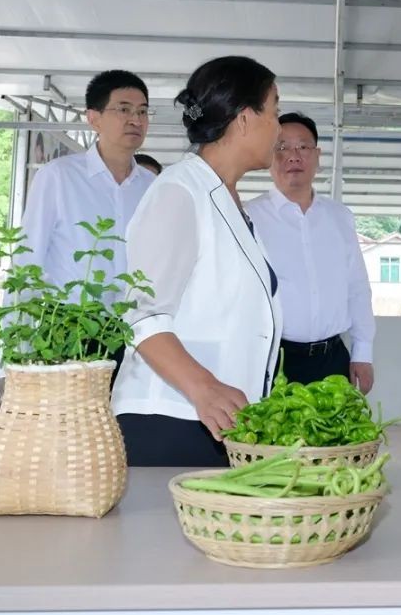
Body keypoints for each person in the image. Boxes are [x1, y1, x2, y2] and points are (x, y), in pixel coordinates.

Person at [111, 56, 283, 467]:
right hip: (172, 420)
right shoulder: (179, 191)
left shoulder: (226, 199)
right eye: (275, 111)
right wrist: (204, 387)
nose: (279, 127)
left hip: (216, 419)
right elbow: (141, 314)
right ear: (245, 119)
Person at [245, 113, 375, 392]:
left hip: (333, 360)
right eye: (282, 147)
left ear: (317, 155)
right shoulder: (249, 217)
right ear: (269, 156)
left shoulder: (340, 217)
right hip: (273, 361)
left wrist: (363, 352)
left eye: (303, 147)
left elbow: (357, 288)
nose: (293, 156)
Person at [18, 69, 156, 306]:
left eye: (142, 111)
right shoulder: (58, 177)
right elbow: (28, 257)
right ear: (93, 119)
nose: (136, 120)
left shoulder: (152, 186)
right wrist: (16, 324)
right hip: (71, 321)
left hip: (135, 320)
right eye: (124, 110)